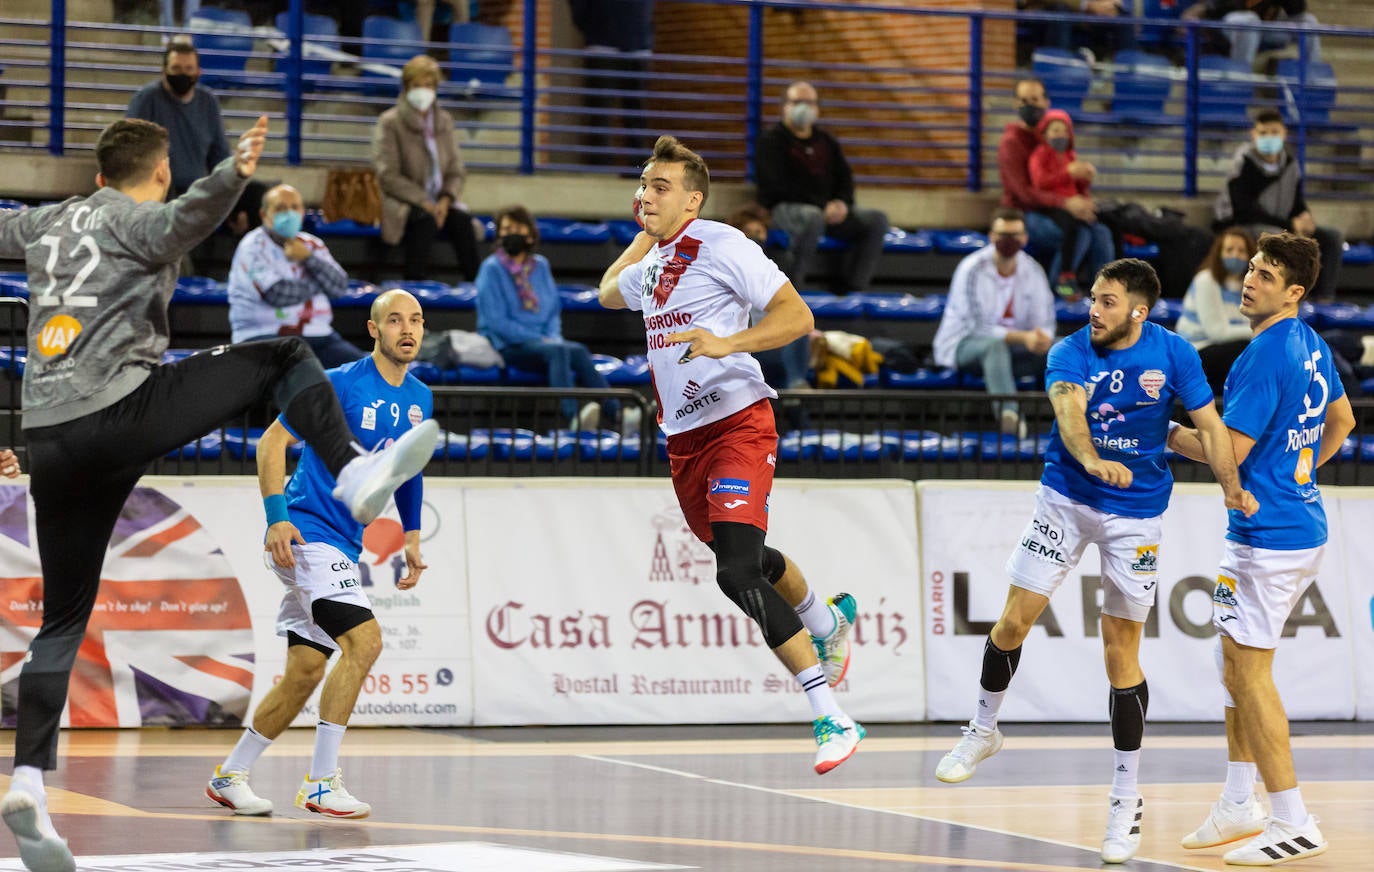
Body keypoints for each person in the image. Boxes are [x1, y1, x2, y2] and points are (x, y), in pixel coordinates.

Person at [0, 116, 438, 872]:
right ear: (159, 169)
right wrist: (234, 172)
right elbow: (186, 220)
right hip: (118, 410)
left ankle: (29, 782)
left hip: (50, 437)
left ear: (98, 167)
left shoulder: (45, 221)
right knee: (286, 355)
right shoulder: (136, 216)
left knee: (61, 623)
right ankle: (351, 469)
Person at [932, 258, 1257, 864]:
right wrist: (1088, 459)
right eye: (1093, 298)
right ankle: (982, 731)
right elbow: (1068, 412)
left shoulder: (1176, 354)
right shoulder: (1070, 351)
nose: (1094, 310)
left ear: (1139, 310)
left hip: (1136, 515)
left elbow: (1208, 427)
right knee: (1011, 622)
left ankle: (1125, 797)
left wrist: (1230, 485)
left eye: (1108, 301)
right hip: (1067, 498)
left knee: (1119, 654)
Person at [599, 135, 863, 773]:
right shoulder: (656, 260)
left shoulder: (721, 243)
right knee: (743, 554)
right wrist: (644, 238)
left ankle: (830, 714)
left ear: (693, 199)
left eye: (660, 187)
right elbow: (608, 292)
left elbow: (796, 317)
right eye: (642, 184)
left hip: (737, 420)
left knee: (735, 572)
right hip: (683, 440)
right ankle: (827, 623)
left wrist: (726, 343)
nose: (646, 194)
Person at [206, 289, 432, 822]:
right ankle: (321, 783)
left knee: (306, 671)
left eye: (417, 320)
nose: (408, 329)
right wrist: (276, 517)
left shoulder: (421, 395)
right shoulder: (339, 383)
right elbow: (270, 444)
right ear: (373, 329)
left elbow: (407, 468)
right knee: (366, 641)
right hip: (306, 535)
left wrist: (413, 535)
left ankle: (229, 775)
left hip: (343, 545)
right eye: (395, 320)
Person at [1168, 232, 1354, 866]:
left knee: (1250, 673)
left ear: (1294, 292)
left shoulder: (1264, 355)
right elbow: (1343, 422)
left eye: (1266, 276)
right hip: (1293, 526)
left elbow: (1232, 452)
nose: (1249, 281)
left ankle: (1294, 818)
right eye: (1250, 269)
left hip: (1269, 540)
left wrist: (1167, 434)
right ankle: (1239, 801)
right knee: (1234, 666)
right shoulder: (1313, 344)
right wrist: (1300, 476)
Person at [475, 204, 635, 434]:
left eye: (517, 228)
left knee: (578, 351)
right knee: (558, 351)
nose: (511, 233)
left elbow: (551, 309)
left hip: (544, 342)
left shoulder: (541, 265)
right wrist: (542, 340)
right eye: (506, 228)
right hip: (508, 345)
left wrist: (550, 337)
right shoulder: (490, 269)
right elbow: (495, 322)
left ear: (530, 235)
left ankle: (618, 415)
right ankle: (573, 418)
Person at [755, 81, 889, 294]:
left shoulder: (826, 141)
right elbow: (777, 186)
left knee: (876, 220)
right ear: (784, 106)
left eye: (810, 102)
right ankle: (791, 294)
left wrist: (842, 204)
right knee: (812, 216)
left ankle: (852, 290)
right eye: (798, 102)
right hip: (785, 210)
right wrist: (821, 206)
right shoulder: (770, 141)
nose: (805, 107)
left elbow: (845, 178)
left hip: (826, 212)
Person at [932, 208, 1057, 437]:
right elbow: (977, 327)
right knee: (993, 346)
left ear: (1025, 238)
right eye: (1003, 235)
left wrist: (1042, 338)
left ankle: (1073, 418)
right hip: (964, 345)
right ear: (991, 236)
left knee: (1063, 349)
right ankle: (1008, 415)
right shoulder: (972, 268)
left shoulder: (1033, 270)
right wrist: (1024, 337)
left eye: (1015, 235)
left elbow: (1045, 319)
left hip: (1015, 352)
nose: (1009, 241)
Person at [126, 37, 265, 236]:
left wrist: (232, 196)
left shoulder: (208, 101)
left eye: (188, 69)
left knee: (257, 196)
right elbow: (131, 152)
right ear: (164, 71)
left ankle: (249, 261)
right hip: (162, 189)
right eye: (176, 68)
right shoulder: (146, 99)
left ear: (198, 72)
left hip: (199, 189)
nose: (183, 74)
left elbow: (220, 156)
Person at [227, 183, 366, 368]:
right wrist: (319, 285)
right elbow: (277, 293)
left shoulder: (312, 245)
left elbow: (340, 286)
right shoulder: (252, 246)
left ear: (302, 212)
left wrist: (309, 258)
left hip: (319, 336)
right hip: (263, 336)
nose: (289, 214)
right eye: (281, 208)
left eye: (294, 207)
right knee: (305, 373)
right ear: (264, 214)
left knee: (363, 371)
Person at [372, 54, 481, 283]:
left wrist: (444, 200)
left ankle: (477, 291)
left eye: (429, 85)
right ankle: (414, 290)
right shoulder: (390, 122)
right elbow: (388, 175)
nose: (423, 91)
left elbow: (455, 171)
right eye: (417, 86)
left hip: (440, 202)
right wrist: (424, 202)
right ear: (406, 87)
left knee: (462, 221)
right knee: (424, 221)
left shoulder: (444, 122)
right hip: (404, 201)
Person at [1214, 108, 1343, 301]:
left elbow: (1296, 204)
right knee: (1279, 239)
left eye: (1274, 132)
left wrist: (1305, 218)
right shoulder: (1243, 164)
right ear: (1253, 135)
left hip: (1281, 226)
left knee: (1331, 238)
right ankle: (1280, 299)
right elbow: (1244, 211)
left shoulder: (1291, 165)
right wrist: (1291, 226)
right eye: (1263, 133)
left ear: (1284, 133)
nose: (1269, 138)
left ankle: (1323, 299)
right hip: (1245, 226)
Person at [998, 77, 1114, 287]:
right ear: (1015, 103)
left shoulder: (1052, 138)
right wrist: (1066, 203)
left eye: (1034, 99)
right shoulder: (1011, 143)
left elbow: (1067, 182)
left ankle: (1105, 295)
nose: (1029, 106)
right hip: (1025, 214)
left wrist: (1082, 198)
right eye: (1023, 100)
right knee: (1079, 234)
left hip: (1056, 210)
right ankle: (1055, 293)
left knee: (1102, 232)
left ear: (1046, 102)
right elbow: (1024, 194)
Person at [570, 0, 655, 166]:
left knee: (636, 113)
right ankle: (600, 163)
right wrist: (592, 28)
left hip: (637, 46)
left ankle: (636, 164)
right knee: (601, 111)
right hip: (604, 45)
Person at [1177, 226, 1257, 396]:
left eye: (1241, 251)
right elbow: (1218, 333)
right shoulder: (1206, 280)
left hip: (1224, 351)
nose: (1235, 255)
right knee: (1250, 349)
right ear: (1219, 253)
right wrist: (1260, 332)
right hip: (1195, 353)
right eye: (1229, 250)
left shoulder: (1250, 286)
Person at [1028, 110, 1096, 298]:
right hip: (1052, 207)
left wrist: (1085, 179)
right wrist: (1068, 173)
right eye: (1055, 130)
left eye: (1064, 131)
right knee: (1073, 229)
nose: (1061, 135)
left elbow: (1078, 187)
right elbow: (1040, 182)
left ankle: (1104, 284)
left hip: (1073, 206)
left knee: (1099, 226)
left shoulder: (1069, 155)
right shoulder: (1039, 155)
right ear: (1045, 133)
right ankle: (1063, 280)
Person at [1185, 0, 1320, 69]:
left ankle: (1313, 78)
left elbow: (1297, 10)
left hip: (1264, 29)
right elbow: (1205, 8)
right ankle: (1241, 76)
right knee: (1249, 20)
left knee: (1308, 21)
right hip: (1229, 26)